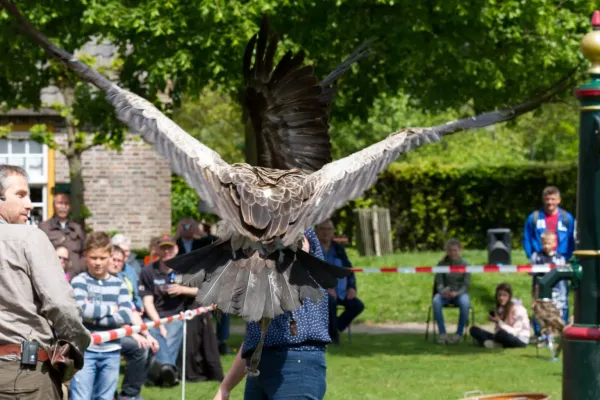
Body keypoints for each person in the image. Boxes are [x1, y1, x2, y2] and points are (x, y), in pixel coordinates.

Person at [0, 164, 90, 399]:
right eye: (20, 195)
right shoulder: (28, 237)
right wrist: (74, 350)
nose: (29, 204)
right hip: (24, 376)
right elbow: (62, 306)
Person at [213, 228, 330, 400]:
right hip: (259, 367)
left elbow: (295, 248)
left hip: (295, 364)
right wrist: (225, 388)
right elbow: (252, 340)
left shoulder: (298, 230)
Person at [69, 232, 134, 400]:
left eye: (102, 258)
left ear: (110, 256)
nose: (98, 262)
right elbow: (81, 310)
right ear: (85, 256)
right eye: (93, 257)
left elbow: (126, 315)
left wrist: (92, 316)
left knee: (105, 397)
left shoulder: (120, 284)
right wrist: (111, 309)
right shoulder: (79, 281)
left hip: (112, 351)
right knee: (80, 397)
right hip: (85, 350)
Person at [139, 235, 198, 387]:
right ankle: (168, 370)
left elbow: (202, 290)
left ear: (176, 249)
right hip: (153, 316)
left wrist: (182, 289)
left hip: (176, 315)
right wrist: (159, 324)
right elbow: (147, 302)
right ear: (157, 250)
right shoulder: (148, 271)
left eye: (169, 247)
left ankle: (156, 373)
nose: (166, 251)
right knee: (157, 336)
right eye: (163, 248)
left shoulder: (185, 268)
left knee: (169, 338)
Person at [108, 245, 160, 400]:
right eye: (113, 259)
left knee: (150, 345)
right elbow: (114, 316)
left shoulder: (122, 282)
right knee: (139, 348)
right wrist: (134, 335)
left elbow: (132, 312)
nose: (116, 263)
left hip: (123, 330)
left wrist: (147, 334)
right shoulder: (103, 281)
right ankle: (128, 395)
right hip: (105, 333)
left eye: (119, 261)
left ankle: (131, 393)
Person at [315, 219, 364, 344]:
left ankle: (335, 328)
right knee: (330, 301)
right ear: (316, 231)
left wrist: (352, 287)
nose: (326, 232)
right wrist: (324, 288)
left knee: (357, 305)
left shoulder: (339, 249)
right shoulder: (312, 248)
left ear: (333, 232)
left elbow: (349, 270)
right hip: (319, 292)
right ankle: (333, 336)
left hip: (341, 291)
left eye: (329, 229)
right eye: (322, 229)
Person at [39, 191, 87, 279]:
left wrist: (79, 270)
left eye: (66, 204)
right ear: (54, 205)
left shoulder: (77, 229)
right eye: (60, 203)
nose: (63, 207)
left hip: (75, 277)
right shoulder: (44, 228)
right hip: (52, 277)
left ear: (70, 207)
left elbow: (85, 253)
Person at [530, 230, 569, 339]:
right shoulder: (536, 256)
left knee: (554, 312)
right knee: (539, 311)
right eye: (544, 243)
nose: (546, 246)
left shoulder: (560, 258)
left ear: (555, 243)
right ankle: (540, 334)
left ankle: (559, 333)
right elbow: (530, 271)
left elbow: (563, 274)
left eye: (549, 243)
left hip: (556, 291)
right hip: (539, 290)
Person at [432, 238, 471, 344]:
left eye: (455, 250)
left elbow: (466, 285)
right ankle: (442, 334)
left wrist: (457, 293)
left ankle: (458, 334)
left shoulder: (466, 265)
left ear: (460, 250)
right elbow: (439, 282)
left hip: (460, 293)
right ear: (447, 251)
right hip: (445, 293)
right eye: (450, 250)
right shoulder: (441, 264)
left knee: (465, 303)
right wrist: (442, 291)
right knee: (436, 301)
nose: (452, 253)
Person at [470, 282, 531, 348]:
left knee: (501, 335)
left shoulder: (519, 309)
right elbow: (497, 331)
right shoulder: (500, 308)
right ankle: (491, 342)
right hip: (502, 335)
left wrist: (499, 321)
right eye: (499, 295)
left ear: (509, 296)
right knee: (473, 329)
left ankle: (488, 342)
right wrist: (496, 320)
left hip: (519, 338)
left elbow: (515, 332)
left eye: (504, 295)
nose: (501, 298)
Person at [523, 186, 576, 261]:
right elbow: (527, 238)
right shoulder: (534, 217)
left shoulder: (567, 218)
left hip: (561, 259)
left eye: (553, 199)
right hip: (539, 260)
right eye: (547, 199)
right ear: (543, 200)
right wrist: (531, 256)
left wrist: (567, 257)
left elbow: (571, 239)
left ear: (559, 200)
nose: (550, 202)